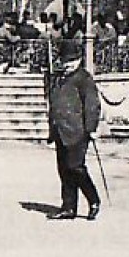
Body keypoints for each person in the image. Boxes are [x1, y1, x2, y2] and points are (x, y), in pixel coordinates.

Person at [46, 38, 102, 220]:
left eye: (70, 61)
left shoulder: (83, 78)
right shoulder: (57, 77)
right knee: (63, 169)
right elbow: (53, 103)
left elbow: (92, 104)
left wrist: (91, 127)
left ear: (78, 59)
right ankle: (68, 206)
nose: (67, 64)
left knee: (76, 167)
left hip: (78, 130)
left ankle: (93, 200)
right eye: (64, 61)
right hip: (60, 130)